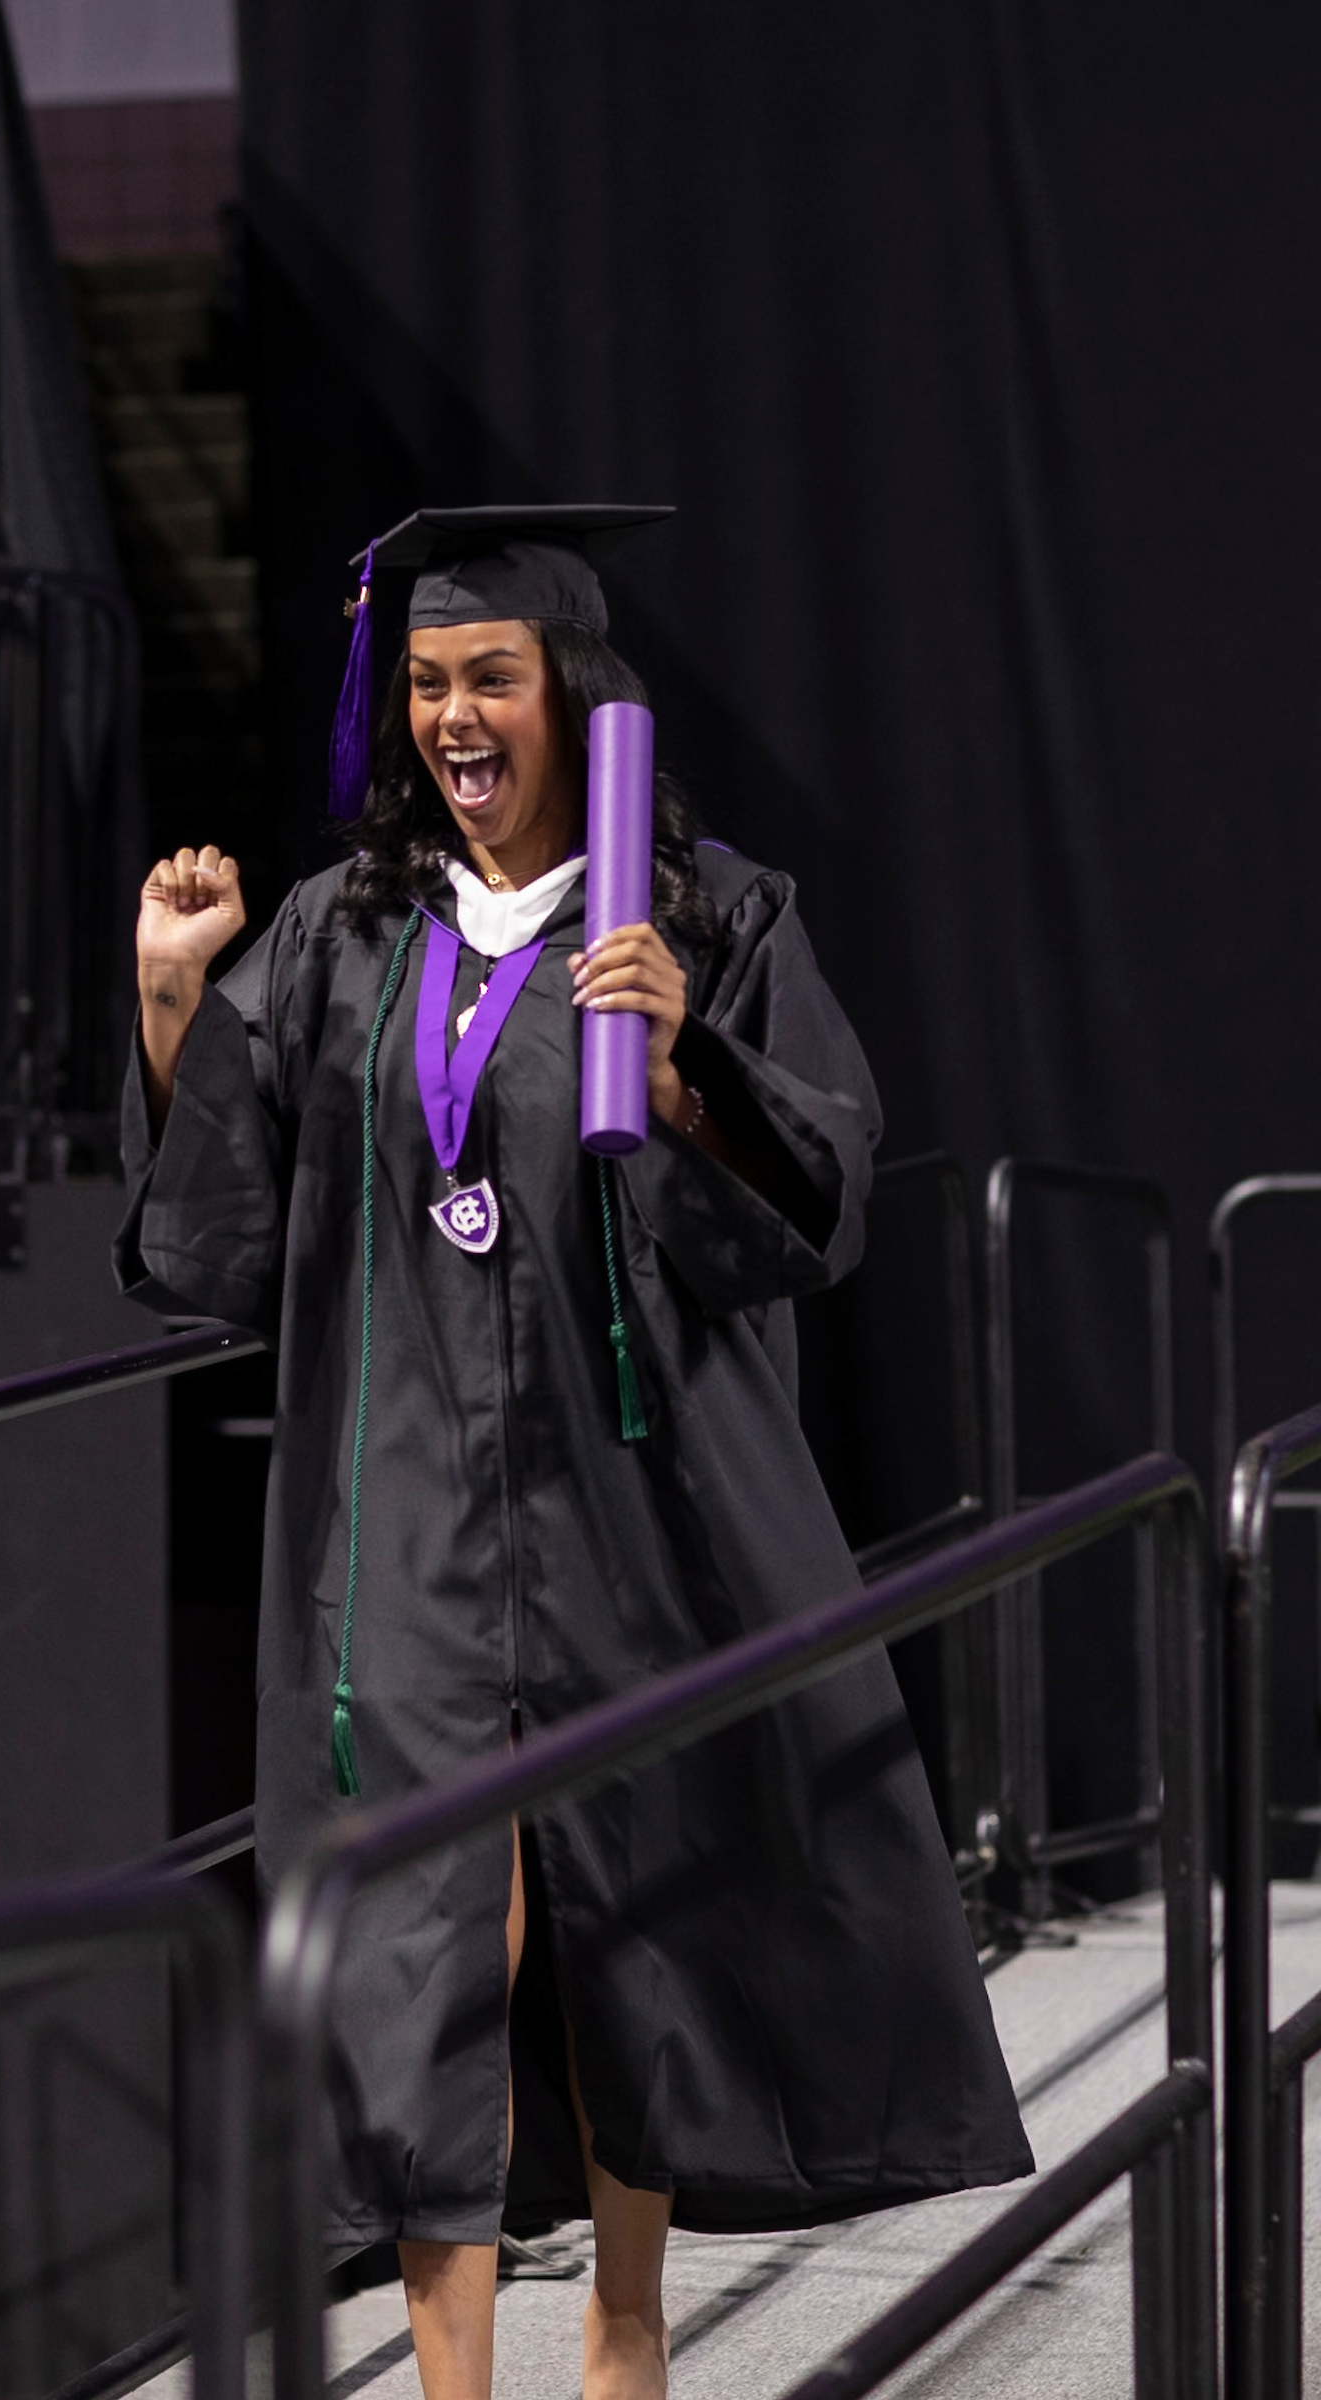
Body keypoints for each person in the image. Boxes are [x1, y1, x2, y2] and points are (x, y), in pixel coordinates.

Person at [116, 506, 1030, 2400]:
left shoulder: (699, 914)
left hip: (634, 1488)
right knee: (416, 1942)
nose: (453, 717)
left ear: (569, 697)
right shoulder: (341, 931)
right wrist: (172, 1000)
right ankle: (463, 2383)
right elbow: (226, 1225)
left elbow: (819, 1198)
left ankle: (623, 2326)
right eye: (429, 686)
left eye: (492, 681)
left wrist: (689, 1068)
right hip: (410, 1505)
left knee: (641, 1910)